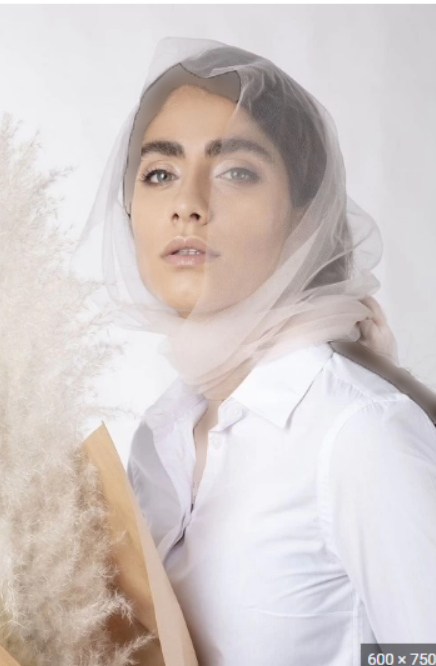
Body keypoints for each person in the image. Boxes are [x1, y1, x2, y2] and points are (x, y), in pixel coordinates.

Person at [77, 37, 436, 664]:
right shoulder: (159, 438)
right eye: (159, 173)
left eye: (235, 172)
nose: (187, 204)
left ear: (304, 215)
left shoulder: (356, 434)